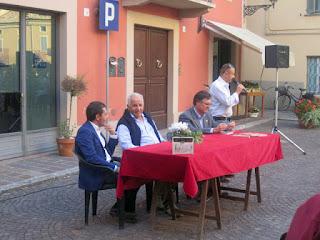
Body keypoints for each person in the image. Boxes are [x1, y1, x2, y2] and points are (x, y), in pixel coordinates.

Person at [116, 92, 165, 218]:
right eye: (134, 106)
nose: (138, 108)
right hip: (140, 159)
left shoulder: (147, 117)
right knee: (164, 169)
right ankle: (155, 202)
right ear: (128, 106)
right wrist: (145, 153)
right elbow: (127, 146)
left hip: (157, 153)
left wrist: (166, 144)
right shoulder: (123, 123)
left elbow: (157, 135)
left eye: (140, 105)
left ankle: (160, 201)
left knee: (174, 165)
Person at [75, 101, 120, 218]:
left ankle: (124, 207)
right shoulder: (85, 131)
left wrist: (113, 134)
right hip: (96, 173)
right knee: (130, 175)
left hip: (104, 166)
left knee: (133, 168)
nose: (107, 117)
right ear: (98, 117)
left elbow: (107, 154)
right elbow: (92, 158)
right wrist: (114, 168)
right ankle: (122, 208)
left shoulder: (95, 129)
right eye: (105, 114)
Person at [209, 63, 245, 129]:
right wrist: (237, 92)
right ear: (226, 73)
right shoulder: (217, 85)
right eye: (232, 74)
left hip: (225, 119)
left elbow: (228, 102)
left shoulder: (225, 85)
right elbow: (227, 102)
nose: (233, 76)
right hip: (218, 120)